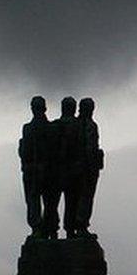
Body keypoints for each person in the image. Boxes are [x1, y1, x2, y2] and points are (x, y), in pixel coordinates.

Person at [18, 96, 59, 238]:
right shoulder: (45, 128)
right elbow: (24, 151)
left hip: (43, 170)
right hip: (37, 170)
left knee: (44, 202)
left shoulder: (33, 128)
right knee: (43, 202)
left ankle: (45, 229)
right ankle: (45, 229)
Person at [54, 96, 84, 238]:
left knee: (52, 203)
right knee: (71, 202)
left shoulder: (54, 125)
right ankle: (70, 230)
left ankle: (51, 230)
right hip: (72, 170)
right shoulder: (79, 126)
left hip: (58, 170)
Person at [75, 97, 104, 238]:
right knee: (85, 197)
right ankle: (81, 226)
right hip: (87, 168)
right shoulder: (90, 126)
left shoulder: (77, 124)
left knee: (75, 199)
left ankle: (77, 227)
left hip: (79, 167)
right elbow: (90, 148)